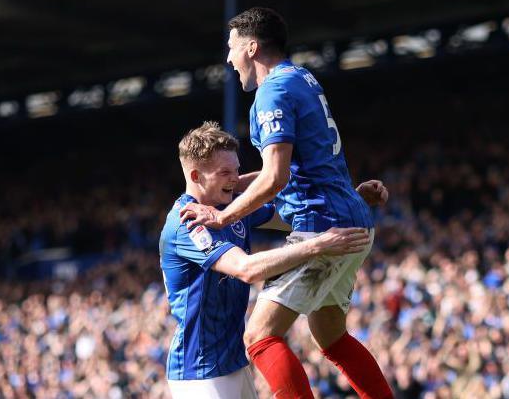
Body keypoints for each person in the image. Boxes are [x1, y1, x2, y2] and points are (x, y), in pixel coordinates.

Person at [180, 7, 394, 399]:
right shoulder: (303, 79)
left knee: (259, 336)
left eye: (231, 48)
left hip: (322, 225)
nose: (228, 58)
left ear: (251, 47)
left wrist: (223, 215)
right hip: (351, 218)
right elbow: (302, 164)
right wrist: (351, 195)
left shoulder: (271, 92)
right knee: (330, 335)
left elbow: (275, 176)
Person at [161, 121, 387, 398]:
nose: (235, 179)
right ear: (196, 176)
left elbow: (297, 218)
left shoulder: (228, 208)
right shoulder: (188, 222)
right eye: (225, 172)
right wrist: (316, 246)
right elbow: (246, 268)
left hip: (232, 363)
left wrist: (348, 202)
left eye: (237, 170)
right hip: (199, 371)